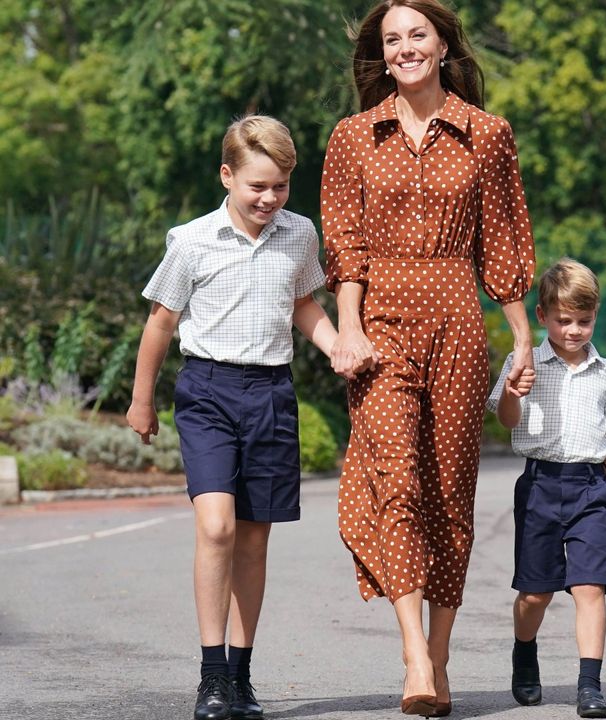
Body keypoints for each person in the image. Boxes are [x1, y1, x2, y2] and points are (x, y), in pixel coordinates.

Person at [320, 1, 536, 716]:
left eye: (418, 34)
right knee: (398, 481)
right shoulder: (353, 137)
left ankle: (440, 657)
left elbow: (502, 244)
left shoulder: (488, 136)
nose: (406, 47)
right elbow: (344, 248)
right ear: (381, 55)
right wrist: (347, 330)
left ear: (443, 45)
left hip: (455, 320)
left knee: (449, 490)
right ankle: (414, 651)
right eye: (392, 39)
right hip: (379, 323)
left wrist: (523, 337)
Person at [127, 115, 337, 720]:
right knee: (216, 526)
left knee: (253, 536)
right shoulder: (190, 240)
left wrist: (338, 345)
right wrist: (142, 401)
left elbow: (303, 302)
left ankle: (241, 678)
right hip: (208, 392)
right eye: (257, 186)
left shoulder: (299, 235)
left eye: (280, 186)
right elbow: (161, 323)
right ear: (227, 175)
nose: (269, 198)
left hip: (271, 393)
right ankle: (211, 676)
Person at [486, 259, 606, 719]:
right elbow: (506, 421)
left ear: (595, 316)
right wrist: (513, 391)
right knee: (536, 594)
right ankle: (524, 651)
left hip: (590, 487)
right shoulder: (522, 362)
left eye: (584, 321)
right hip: (540, 485)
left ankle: (589, 685)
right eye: (564, 320)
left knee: (591, 587)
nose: (574, 330)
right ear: (543, 316)